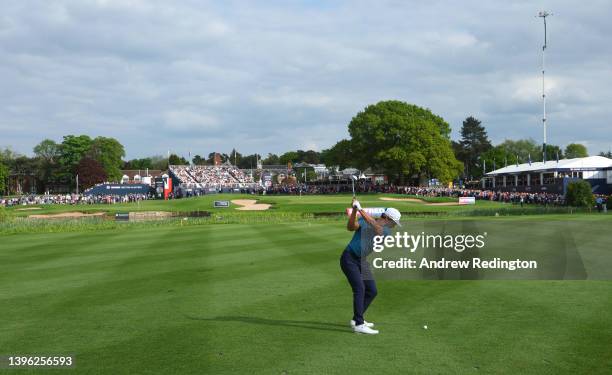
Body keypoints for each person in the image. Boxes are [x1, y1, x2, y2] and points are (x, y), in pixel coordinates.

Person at [340, 198, 401, 334]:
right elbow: (351, 227)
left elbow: (376, 227)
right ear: (387, 218)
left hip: (361, 261)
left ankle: (357, 318)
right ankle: (359, 324)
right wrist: (355, 210)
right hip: (349, 258)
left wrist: (360, 208)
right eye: (394, 222)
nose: (395, 225)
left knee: (372, 291)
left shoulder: (385, 231)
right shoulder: (366, 221)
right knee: (360, 288)